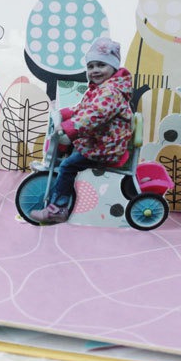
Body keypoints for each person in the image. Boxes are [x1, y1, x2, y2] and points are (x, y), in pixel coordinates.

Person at [31, 37, 134, 224]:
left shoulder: (111, 92)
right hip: (99, 140)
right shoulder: (99, 89)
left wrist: (68, 127)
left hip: (105, 147)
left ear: (114, 67)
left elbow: (94, 115)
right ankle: (57, 176)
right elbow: (82, 109)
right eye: (91, 66)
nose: (95, 70)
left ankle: (58, 209)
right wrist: (63, 113)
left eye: (101, 65)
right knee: (66, 146)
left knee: (68, 166)